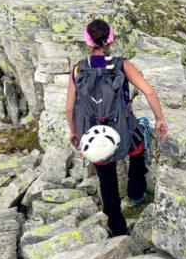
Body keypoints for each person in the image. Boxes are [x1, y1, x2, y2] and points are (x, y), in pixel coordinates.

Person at [66, 18, 169, 236]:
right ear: (110, 40)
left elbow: (69, 108)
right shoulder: (122, 64)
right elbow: (149, 92)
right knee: (138, 141)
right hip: (122, 128)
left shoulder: (78, 70)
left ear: (88, 43)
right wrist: (160, 119)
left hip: (94, 133)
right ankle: (136, 192)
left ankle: (117, 225)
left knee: (106, 178)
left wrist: (74, 132)